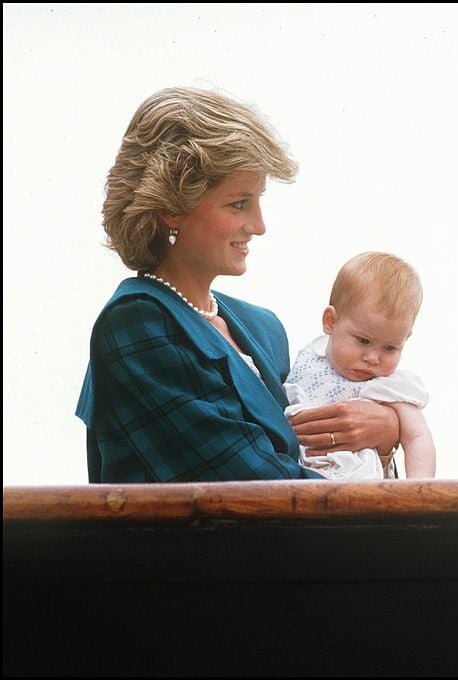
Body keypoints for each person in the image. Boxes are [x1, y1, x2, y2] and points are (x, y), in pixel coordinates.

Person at [75, 86, 399, 482]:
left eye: (259, 200)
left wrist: (387, 432)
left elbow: (314, 463)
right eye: (239, 203)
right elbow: (249, 485)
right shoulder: (136, 323)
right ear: (169, 209)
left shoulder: (263, 328)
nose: (259, 226)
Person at [284, 252, 436, 479]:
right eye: (363, 341)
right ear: (330, 322)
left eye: (390, 348)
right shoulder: (308, 358)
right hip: (292, 475)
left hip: (359, 487)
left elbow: (418, 437)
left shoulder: (391, 386)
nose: (373, 358)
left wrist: (420, 490)